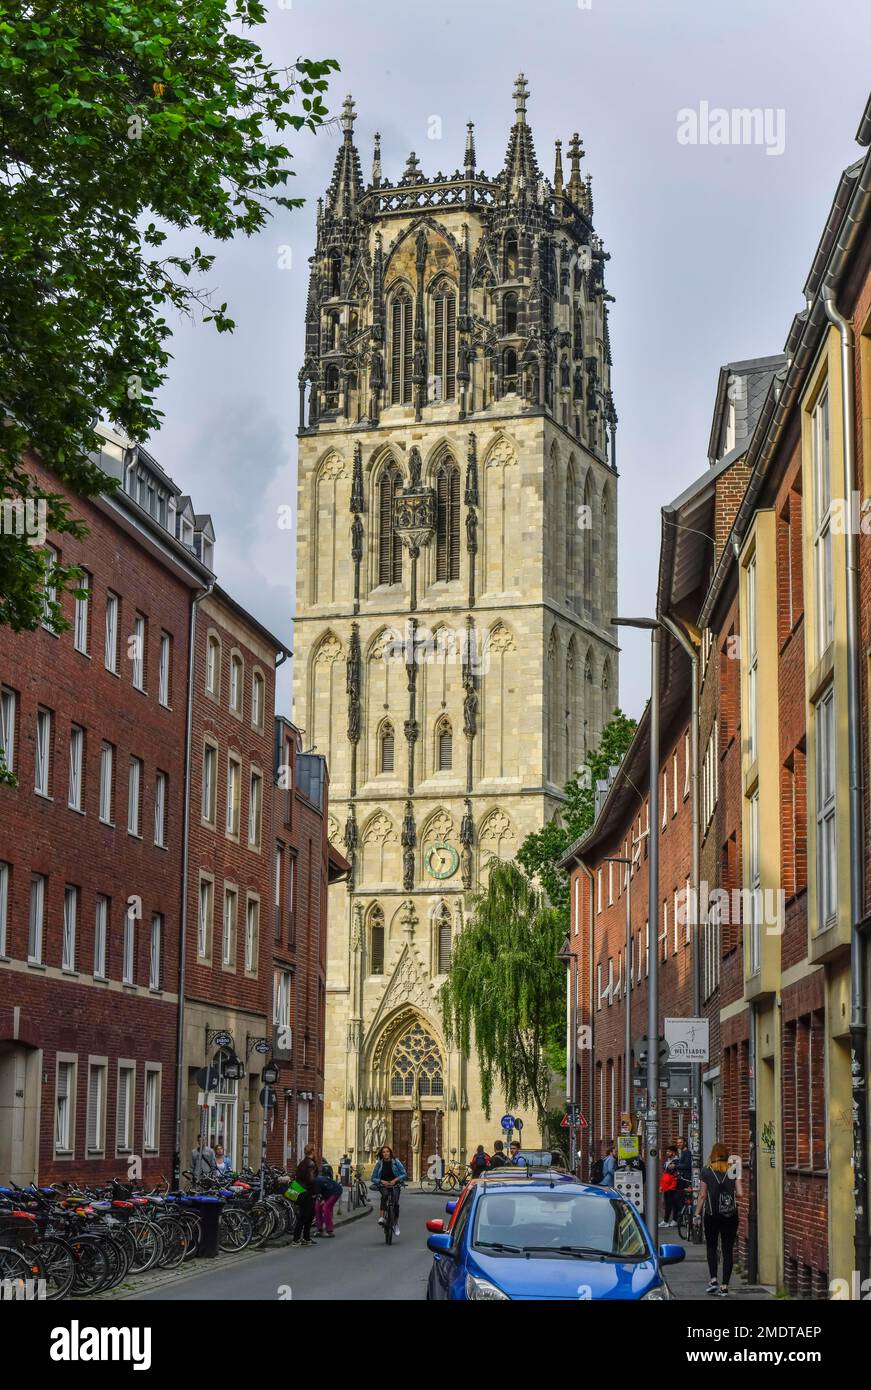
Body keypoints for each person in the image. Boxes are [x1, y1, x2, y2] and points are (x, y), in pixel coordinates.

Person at [696, 1143, 742, 1296]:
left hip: (712, 1214)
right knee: (727, 1249)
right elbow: (740, 1193)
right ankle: (725, 1286)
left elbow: (702, 1195)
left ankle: (714, 1279)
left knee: (711, 1246)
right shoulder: (732, 1169)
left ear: (713, 1154)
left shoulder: (706, 1170)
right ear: (726, 1154)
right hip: (730, 1214)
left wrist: (697, 1213)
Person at [371, 1145, 407, 1237]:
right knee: (385, 1195)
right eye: (383, 1152)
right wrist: (381, 1181)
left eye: (387, 1151)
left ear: (390, 1153)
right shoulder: (379, 1163)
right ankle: (382, 1217)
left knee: (395, 1203)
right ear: (381, 1154)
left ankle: (395, 1224)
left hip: (395, 1184)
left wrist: (395, 1180)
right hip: (384, 1185)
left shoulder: (395, 1162)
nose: (385, 1153)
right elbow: (373, 1178)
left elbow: (404, 1174)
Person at [292, 1142, 320, 1248]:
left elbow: (297, 1176)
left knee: (308, 1216)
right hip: (307, 1193)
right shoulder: (310, 1164)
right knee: (304, 1216)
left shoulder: (302, 1162)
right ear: (312, 1151)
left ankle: (306, 1238)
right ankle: (297, 1238)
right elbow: (311, 1180)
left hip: (301, 1191)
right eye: (315, 1150)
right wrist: (316, 1191)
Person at [314, 1156, 343, 1238]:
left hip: (335, 1191)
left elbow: (329, 1188)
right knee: (317, 1208)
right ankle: (319, 1229)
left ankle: (329, 1230)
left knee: (326, 1208)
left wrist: (324, 1199)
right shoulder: (313, 1182)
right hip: (327, 1192)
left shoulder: (319, 1180)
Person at [660, 1147, 679, 1226]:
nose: (667, 1153)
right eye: (667, 1151)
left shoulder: (676, 1161)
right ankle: (666, 1220)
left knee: (673, 1203)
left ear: (674, 1153)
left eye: (669, 1151)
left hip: (673, 1185)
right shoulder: (667, 1161)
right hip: (667, 1184)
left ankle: (674, 1220)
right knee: (667, 1203)